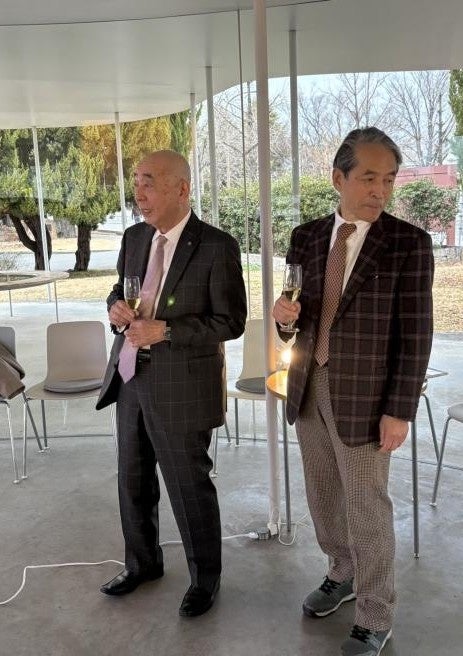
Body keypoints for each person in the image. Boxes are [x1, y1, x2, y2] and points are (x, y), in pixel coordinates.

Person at [273, 127, 433, 656]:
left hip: (369, 398)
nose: (380, 190)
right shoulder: (306, 237)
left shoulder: (408, 244)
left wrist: (399, 410)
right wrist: (283, 318)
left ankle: (375, 613)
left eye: (388, 179)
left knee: (367, 507)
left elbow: (416, 334)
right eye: (368, 178)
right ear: (338, 178)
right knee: (322, 495)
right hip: (308, 385)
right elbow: (295, 319)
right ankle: (341, 572)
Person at [96, 150, 247, 617]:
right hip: (130, 377)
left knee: (188, 487)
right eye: (136, 182)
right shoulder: (134, 237)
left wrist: (166, 331)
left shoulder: (217, 246)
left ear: (182, 189)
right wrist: (115, 307)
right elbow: (121, 290)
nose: (138, 193)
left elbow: (231, 321)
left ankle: (205, 579)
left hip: (183, 387)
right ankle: (142, 564)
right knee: (132, 480)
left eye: (149, 182)